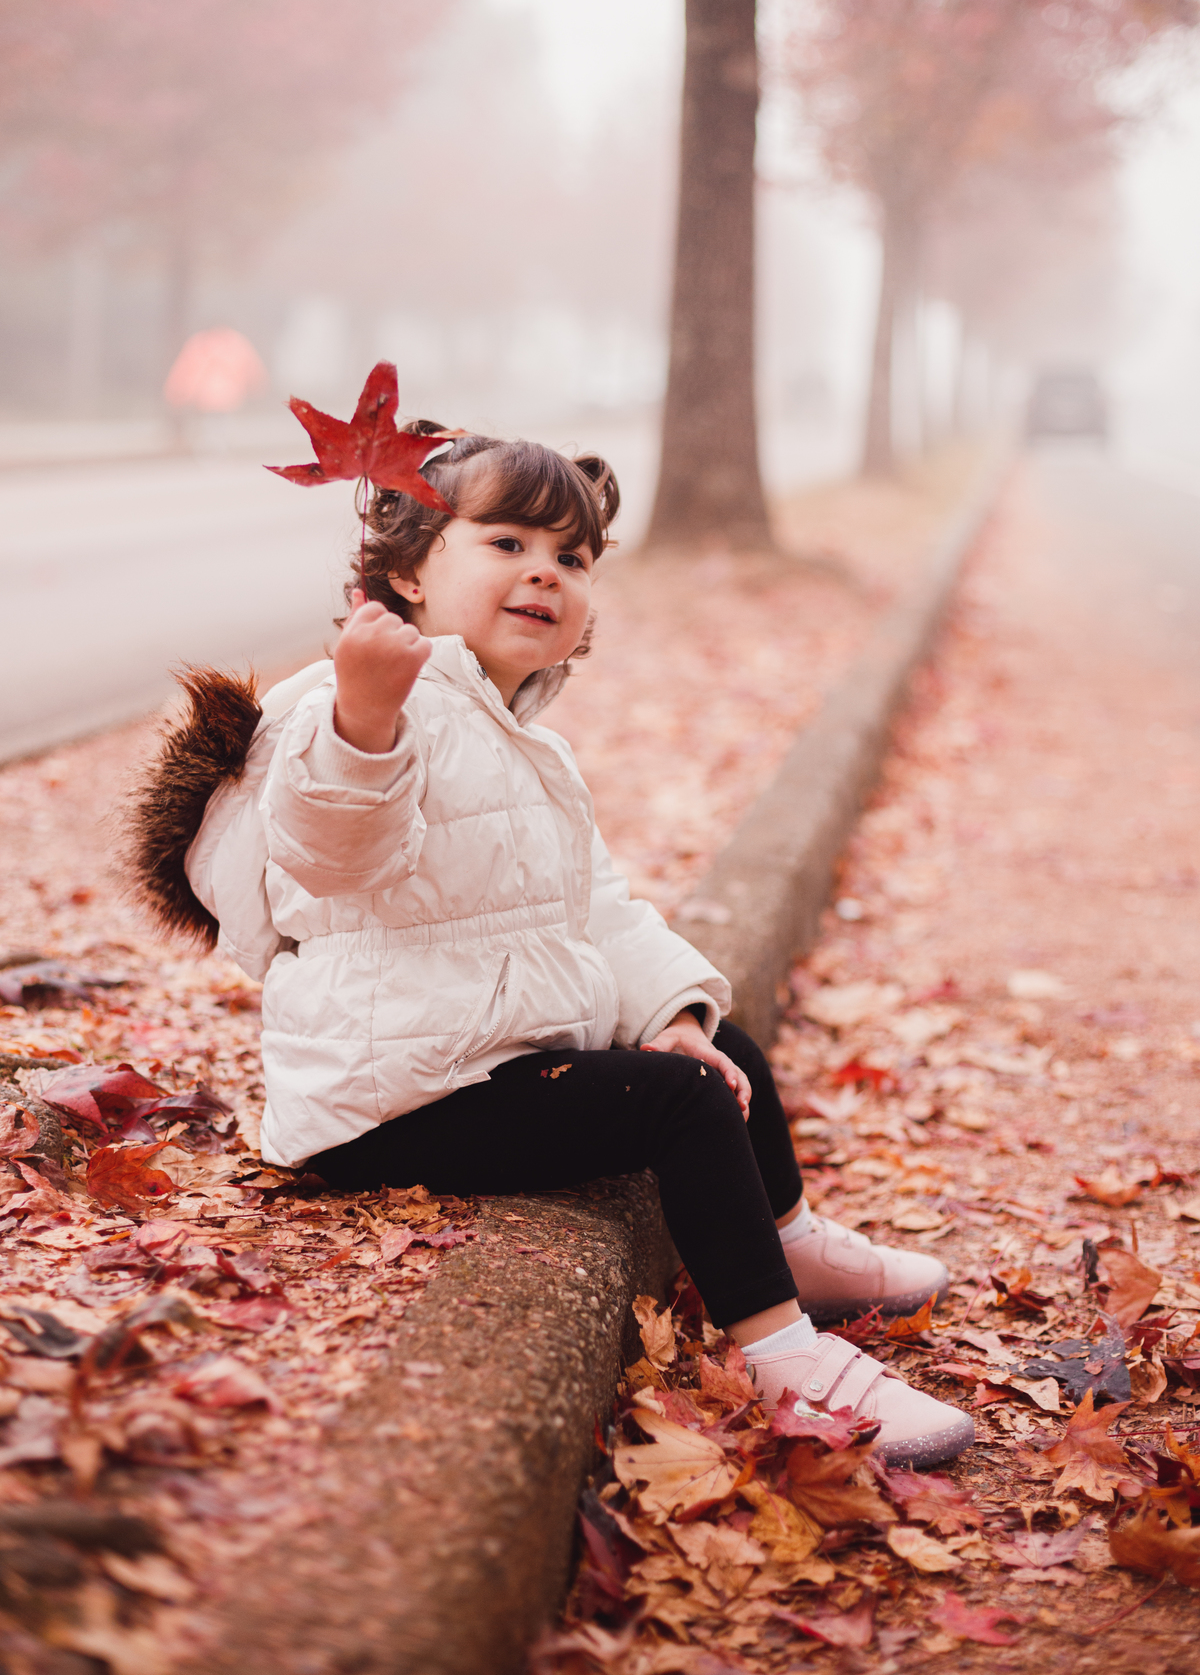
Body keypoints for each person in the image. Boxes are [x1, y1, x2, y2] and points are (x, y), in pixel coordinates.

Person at [132, 430, 972, 1467]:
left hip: (478, 1056)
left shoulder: (519, 732)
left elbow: (595, 909)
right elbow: (336, 851)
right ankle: (786, 1359)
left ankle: (791, 1248)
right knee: (684, 1105)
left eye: (571, 558)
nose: (545, 572)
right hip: (390, 1100)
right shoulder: (354, 714)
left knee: (722, 1051)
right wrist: (364, 721)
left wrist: (668, 1012)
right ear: (408, 573)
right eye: (508, 542)